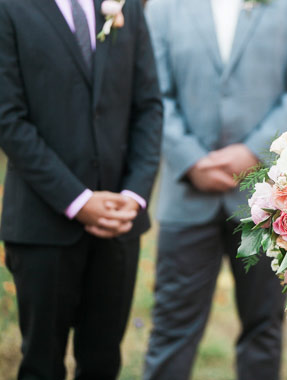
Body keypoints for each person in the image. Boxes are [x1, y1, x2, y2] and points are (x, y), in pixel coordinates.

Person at [143, 0, 287, 379]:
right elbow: (152, 93)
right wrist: (191, 160)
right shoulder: (162, 8)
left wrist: (252, 152)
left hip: (267, 201)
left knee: (263, 328)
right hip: (186, 195)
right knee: (170, 331)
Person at [0, 0, 163, 378]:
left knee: (104, 362)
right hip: (42, 223)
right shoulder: (9, 7)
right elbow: (8, 118)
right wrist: (77, 200)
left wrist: (134, 195)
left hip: (119, 225)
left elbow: (149, 106)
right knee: (41, 365)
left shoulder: (126, 6)